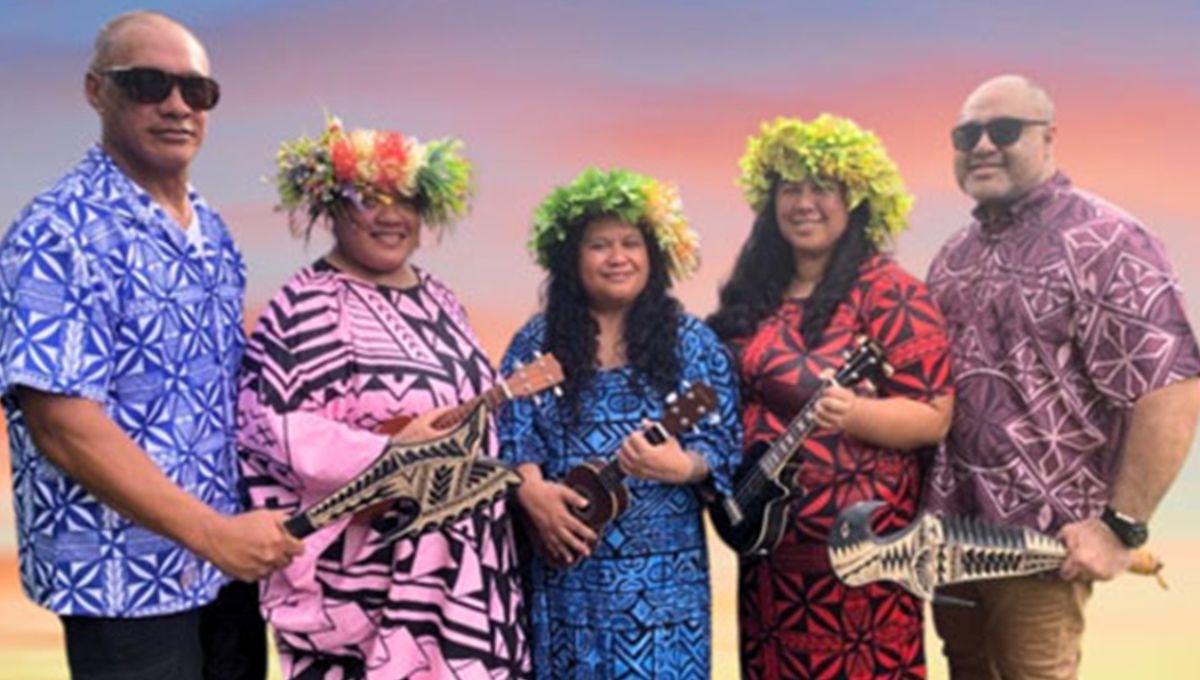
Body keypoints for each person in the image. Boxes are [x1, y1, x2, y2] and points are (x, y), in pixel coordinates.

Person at [0, 10, 302, 680]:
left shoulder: (214, 232)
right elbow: (63, 425)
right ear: (95, 91)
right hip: (123, 583)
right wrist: (214, 535)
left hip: (226, 571)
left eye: (197, 91)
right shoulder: (59, 232)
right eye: (147, 84)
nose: (176, 105)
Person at [925, 74, 1200, 680]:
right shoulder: (952, 257)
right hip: (952, 542)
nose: (982, 146)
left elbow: (1172, 386)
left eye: (1003, 130)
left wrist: (1121, 528)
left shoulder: (1108, 241)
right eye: (966, 133)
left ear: (1049, 137)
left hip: (1045, 550)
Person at [237, 116, 530, 679]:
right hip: (368, 577)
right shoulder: (304, 305)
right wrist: (388, 455)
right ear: (331, 206)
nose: (392, 215)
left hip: (469, 571)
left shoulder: (443, 299)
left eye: (406, 200)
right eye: (371, 198)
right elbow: (267, 428)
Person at [707, 114, 955, 679]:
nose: (804, 203)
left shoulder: (892, 293)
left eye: (822, 188)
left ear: (856, 200)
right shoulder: (756, 296)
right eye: (790, 189)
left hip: (862, 560)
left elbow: (934, 416)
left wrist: (858, 413)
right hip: (771, 561)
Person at [497, 167, 742, 678]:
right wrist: (532, 493)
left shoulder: (692, 344)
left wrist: (684, 466)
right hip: (566, 578)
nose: (617, 257)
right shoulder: (535, 344)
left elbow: (725, 443)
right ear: (571, 258)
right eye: (599, 245)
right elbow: (511, 434)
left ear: (654, 254)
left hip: (665, 591)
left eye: (631, 242)